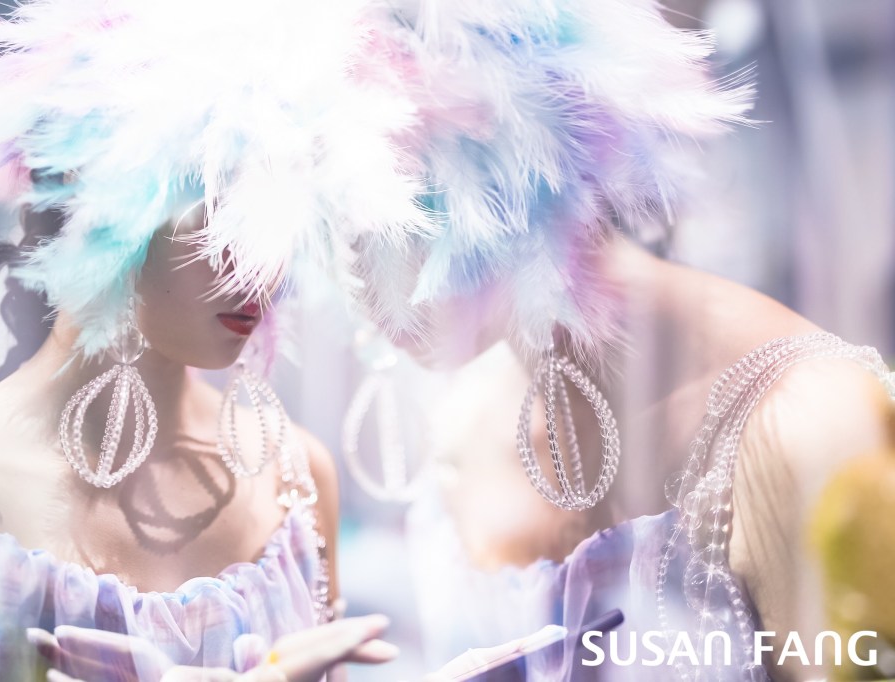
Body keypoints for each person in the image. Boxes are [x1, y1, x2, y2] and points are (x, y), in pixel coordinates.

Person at [330, 0, 895, 680]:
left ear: (497, 156)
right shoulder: (462, 428)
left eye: (367, 200)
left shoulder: (806, 424)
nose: (345, 263)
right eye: (321, 215)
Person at [0, 0, 419, 679]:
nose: (259, 266)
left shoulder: (297, 477)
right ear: (94, 197)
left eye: (278, 217)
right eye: (217, 209)